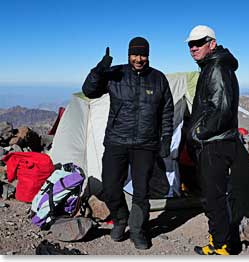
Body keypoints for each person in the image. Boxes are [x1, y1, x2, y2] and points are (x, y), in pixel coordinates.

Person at [82, 37, 174, 250]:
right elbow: (89, 91)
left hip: (146, 144)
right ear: (128, 54)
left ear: (148, 55)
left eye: (142, 55)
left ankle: (137, 230)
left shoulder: (158, 79)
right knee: (111, 185)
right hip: (117, 140)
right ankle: (121, 218)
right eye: (135, 54)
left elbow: (167, 112)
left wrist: (166, 139)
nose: (139, 59)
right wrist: (98, 71)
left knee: (142, 192)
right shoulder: (116, 74)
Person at [185, 25, 240, 255]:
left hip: (215, 143)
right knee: (214, 195)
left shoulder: (216, 67)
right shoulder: (212, 66)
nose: (193, 47)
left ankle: (221, 246)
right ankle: (222, 240)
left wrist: (197, 134)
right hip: (215, 142)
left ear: (212, 44)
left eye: (199, 42)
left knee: (213, 197)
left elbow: (222, 109)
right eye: (190, 44)